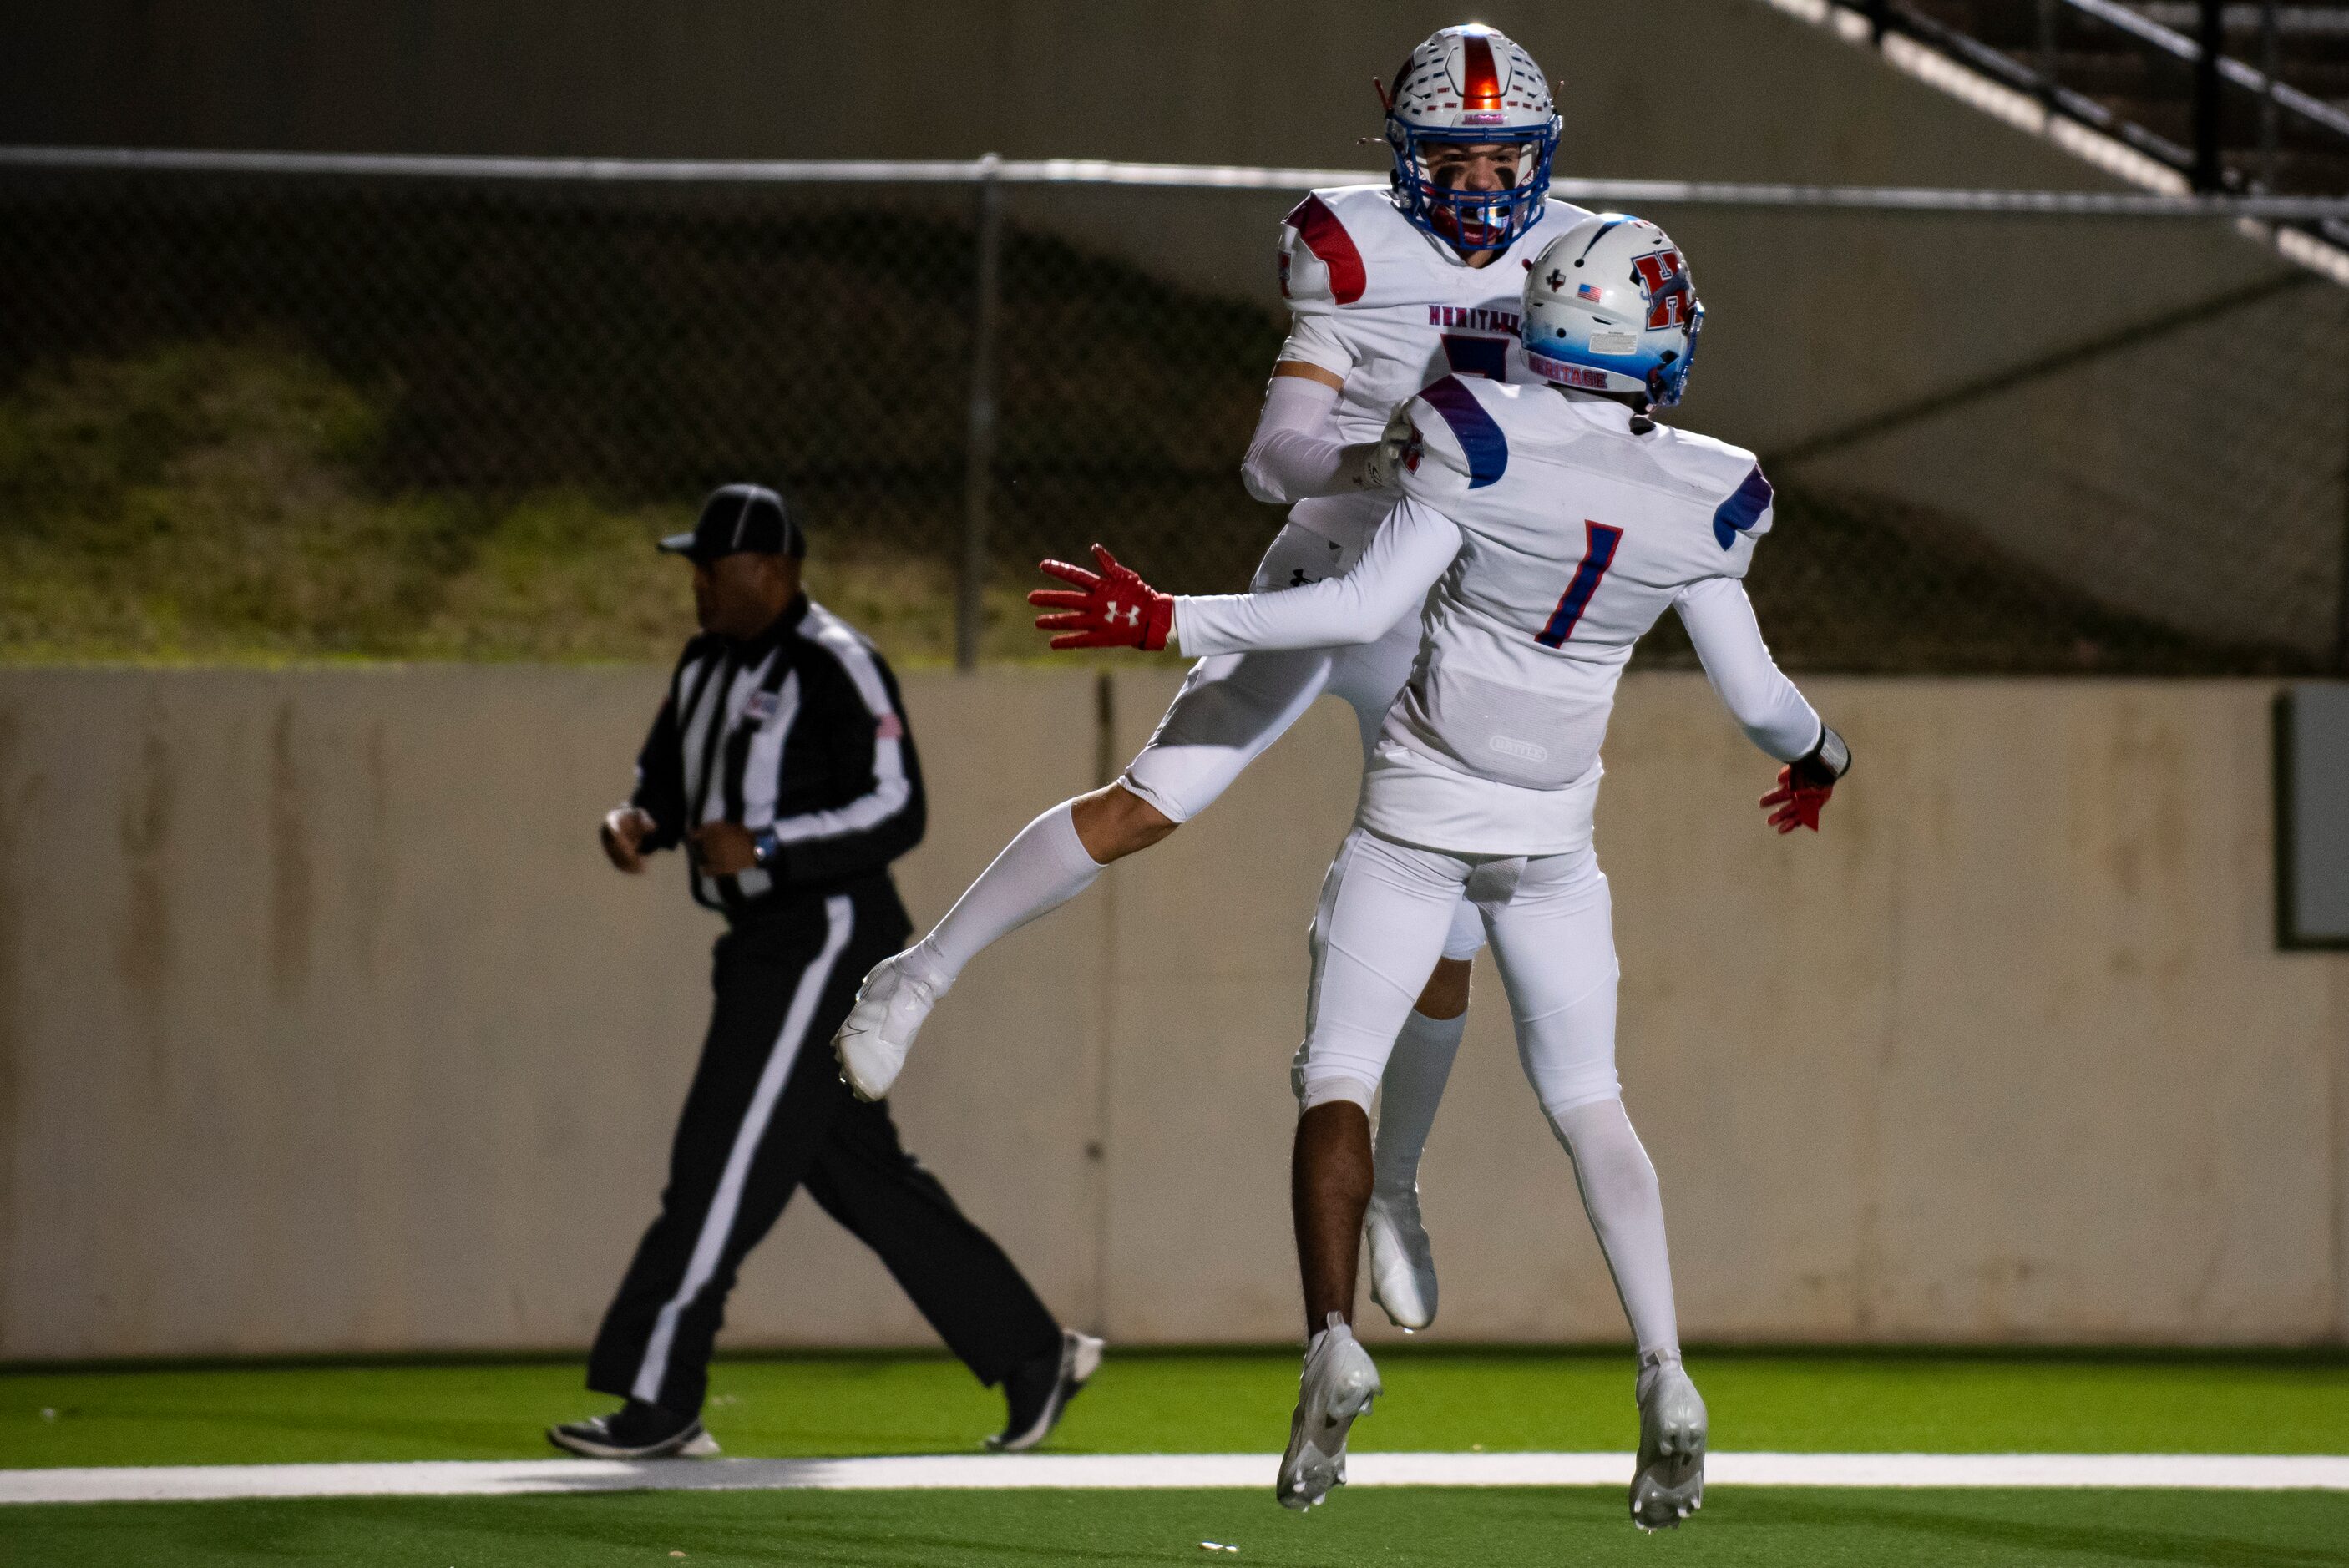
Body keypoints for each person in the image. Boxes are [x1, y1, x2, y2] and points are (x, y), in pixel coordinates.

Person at [1023, 216, 1850, 1529]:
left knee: (1338, 1073)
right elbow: (1754, 697)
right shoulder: (1716, 485)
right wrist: (1822, 759)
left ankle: (1329, 1342)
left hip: (1422, 810)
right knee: (1591, 1101)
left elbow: (1353, 608)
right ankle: (1666, 1372)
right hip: (1552, 833)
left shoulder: (1471, 426)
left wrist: (1169, 616)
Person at [834, 23, 1582, 1333]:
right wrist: (1380, 463)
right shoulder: (1349, 248)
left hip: (1458, 616)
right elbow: (1275, 452)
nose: (1477, 188)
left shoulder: (1581, 252)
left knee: (1451, 952)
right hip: (1332, 573)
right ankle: (916, 973)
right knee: (1149, 800)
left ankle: (1395, 1184)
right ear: (1404, 157)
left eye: (1498, 160)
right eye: (1453, 162)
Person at [549, 483, 1100, 1461]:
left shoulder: (836, 664)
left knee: (718, 1159)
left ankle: (657, 1391)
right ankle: (1028, 1354)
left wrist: (768, 846)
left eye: (711, 571)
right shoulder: (702, 660)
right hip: (757, 949)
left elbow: (898, 808)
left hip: (823, 939)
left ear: (774, 571)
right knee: (857, 1174)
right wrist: (638, 818)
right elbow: (668, 781)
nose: (697, 589)